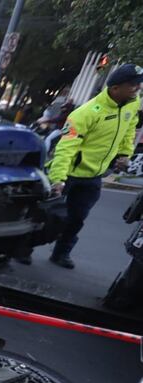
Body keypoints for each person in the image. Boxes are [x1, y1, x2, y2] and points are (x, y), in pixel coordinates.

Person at [45, 63, 142, 269]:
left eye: (139, 83)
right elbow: (66, 148)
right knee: (47, 214)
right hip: (69, 174)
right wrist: (58, 179)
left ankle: (61, 253)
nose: (138, 88)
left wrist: (125, 154)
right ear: (115, 88)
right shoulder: (86, 112)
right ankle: (24, 250)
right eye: (133, 84)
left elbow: (129, 129)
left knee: (77, 218)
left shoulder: (132, 104)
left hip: (94, 175)